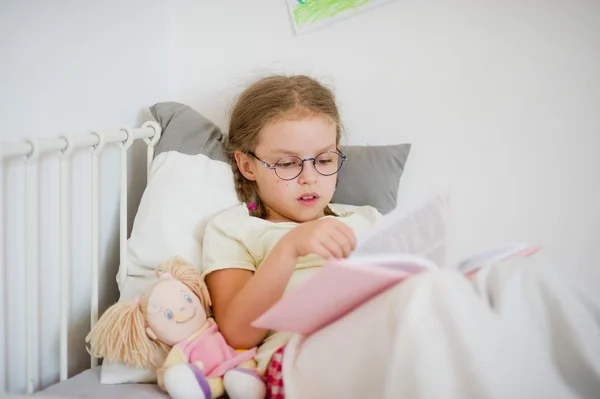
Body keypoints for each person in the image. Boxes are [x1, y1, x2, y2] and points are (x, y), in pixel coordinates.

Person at [201, 75, 600, 399]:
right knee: (427, 294)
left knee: (519, 277)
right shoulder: (235, 227)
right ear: (247, 164)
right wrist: (289, 248)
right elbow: (237, 331)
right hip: (298, 359)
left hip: (388, 332)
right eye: (287, 163)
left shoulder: (365, 218)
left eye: (324, 160)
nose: (309, 177)